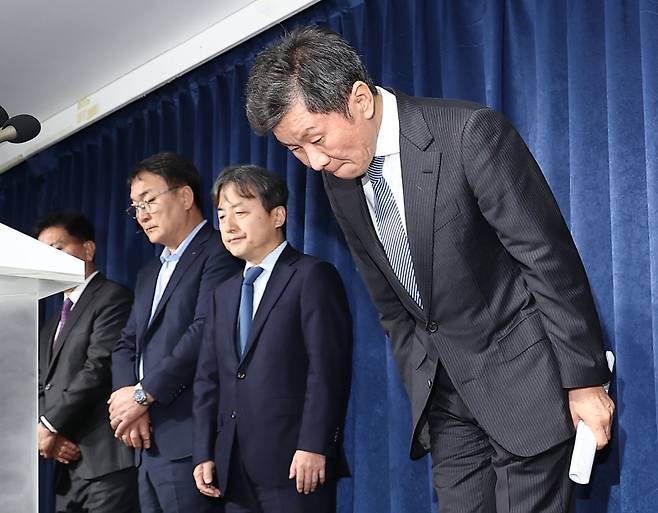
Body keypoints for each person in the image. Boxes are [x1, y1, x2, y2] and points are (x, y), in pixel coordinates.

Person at [244, 25, 615, 512]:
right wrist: (421, 377)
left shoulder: (469, 134)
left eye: (315, 138)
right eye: (295, 150)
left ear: (359, 99)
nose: (313, 162)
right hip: (448, 405)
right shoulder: (340, 182)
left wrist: (584, 381)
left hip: (523, 384)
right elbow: (391, 305)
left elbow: (547, 260)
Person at [192, 165, 352, 513]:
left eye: (240, 212)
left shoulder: (312, 276)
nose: (229, 226)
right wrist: (204, 451)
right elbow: (208, 380)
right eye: (221, 215)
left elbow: (327, 370)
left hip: (295, 464)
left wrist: (315, 444)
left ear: (277, 215)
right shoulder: (223, 293)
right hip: (232, 469)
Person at [109, 152, 241, 513]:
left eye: (149, 200)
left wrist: (143, 395)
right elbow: (125, 344)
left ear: (184, 197)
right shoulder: (149, 272)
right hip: (148, 442)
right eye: (135, 206)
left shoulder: (219, 251)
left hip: (190, 441)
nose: (142, 214)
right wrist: (128, 401)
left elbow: (204, 331)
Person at [35, 211, 138, 513]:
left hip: (107, 462)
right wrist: (46, 434)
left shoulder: (112, 298)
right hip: (66, 466)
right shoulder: (52, 320)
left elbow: (98, 368)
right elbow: (41, 382)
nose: (48, 260)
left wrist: (48, 426)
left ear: (88, 249)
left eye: (57, 249)